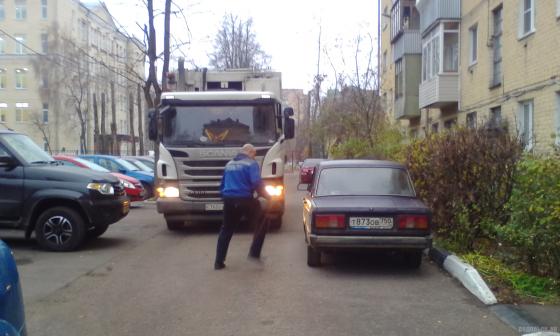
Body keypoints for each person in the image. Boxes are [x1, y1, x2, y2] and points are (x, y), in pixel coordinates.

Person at [214, 144, 269, 270]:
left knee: (226, 229)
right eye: (253, 154)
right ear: (249, 152)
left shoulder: (229, 164)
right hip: (244, 199)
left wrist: (224, 197)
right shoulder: (251, 164)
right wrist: (267, 196)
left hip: (228, 200)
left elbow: (222, 185)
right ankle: (254, 253)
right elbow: (256, 182)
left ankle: (218, 262)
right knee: (262, 223)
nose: (254, 157)